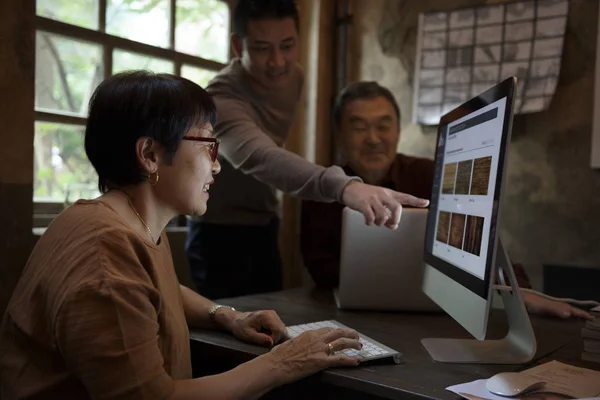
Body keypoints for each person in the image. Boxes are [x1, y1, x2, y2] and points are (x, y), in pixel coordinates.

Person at [0, 71, 366, 400]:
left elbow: (159, 291)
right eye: (208, 144)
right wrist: (283, 363)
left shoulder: (120, 221)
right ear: (149, 154)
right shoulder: (105, 257)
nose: (217, 164)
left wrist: (225, 315)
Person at [185, 0, 428, 300]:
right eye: (262, 48)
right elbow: (262, 156)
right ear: (238, 46)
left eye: (287, 45)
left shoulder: (294, 76)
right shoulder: (220, 99)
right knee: (228, 327)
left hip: (264, 220)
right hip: (218, 228)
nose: (278, 62)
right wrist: (345, 187)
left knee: (266, 323)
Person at [301, 81, 593, 320]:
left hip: (435, 315)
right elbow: (320, 269)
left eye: (384, 125)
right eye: (359, 127)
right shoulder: (323, 189)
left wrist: (517, 293)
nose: (374, 138)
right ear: (339, 136)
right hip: (348, 319)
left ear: (398, 131)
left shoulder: (432, 175)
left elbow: (480, 243)